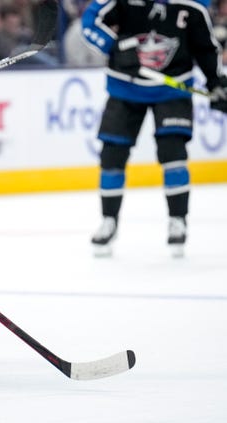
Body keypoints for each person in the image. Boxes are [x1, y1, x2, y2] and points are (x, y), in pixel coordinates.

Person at [81, 0, 227, 257]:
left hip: (172, 89)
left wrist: (216, 82)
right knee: (112, 155)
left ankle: (178, 220)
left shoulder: (193, 4)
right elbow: (90, 22)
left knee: (173, 152)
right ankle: (109, 221)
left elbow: (205, 46)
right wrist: (115, 46)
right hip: (125, 86)